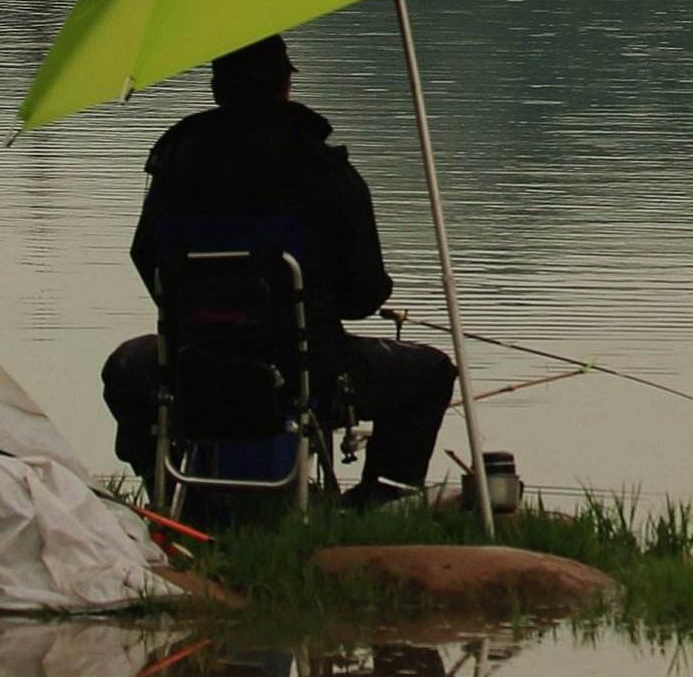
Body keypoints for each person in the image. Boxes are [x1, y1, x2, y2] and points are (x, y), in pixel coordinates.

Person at [101, 35, 457, 507]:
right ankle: (372, 507)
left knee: (126, 369)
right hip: (308, 373)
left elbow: (148, 259)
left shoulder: (175, 165)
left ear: (216, 89)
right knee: (431, 374)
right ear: (285, 85)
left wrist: (212, 321)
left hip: (190, 366)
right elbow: (365, 294)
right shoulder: (324, 169)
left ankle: (169, 494)